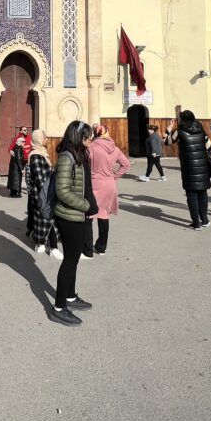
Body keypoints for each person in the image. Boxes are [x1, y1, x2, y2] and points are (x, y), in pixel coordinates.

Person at [49, 120, 97, 327]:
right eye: (88, 135)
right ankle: (58, 308)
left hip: (77, 215)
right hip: (69, 216)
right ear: (78, 137)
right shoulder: (67, 158)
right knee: (69, 261)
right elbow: (62, 191)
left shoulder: (79, 155)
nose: (91, 138)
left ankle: (69, 296)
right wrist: (85, 205)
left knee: (73, 258)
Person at [88, 124, 130, 253]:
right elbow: (126, 164)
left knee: (88, 215)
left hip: (94, 184)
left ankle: (87, 247)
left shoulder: (91, 147)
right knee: (104, 216)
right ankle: (101, 247)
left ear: (95, 133)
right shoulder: (115, 148)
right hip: (109, 184)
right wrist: (114, 176)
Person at [26, 129, 62, 259]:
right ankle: (53, 248)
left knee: (42, 219)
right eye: (44, 137)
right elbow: (40, 178)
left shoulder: (41, 153)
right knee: (48, 219)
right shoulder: (36, 156)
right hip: (43, 193)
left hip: (44, 192)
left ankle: (41, 243)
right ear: (39, 139)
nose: (46, 139)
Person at [176, 110, 211, 230]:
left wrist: (169, 128)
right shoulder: (202, 131)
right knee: (203, 194)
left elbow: (167, 141)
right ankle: (205, 220)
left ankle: (196, 223)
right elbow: (210, 146)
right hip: (202, 167)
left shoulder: (179, 132)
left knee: (191, 196)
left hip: (188, 168)